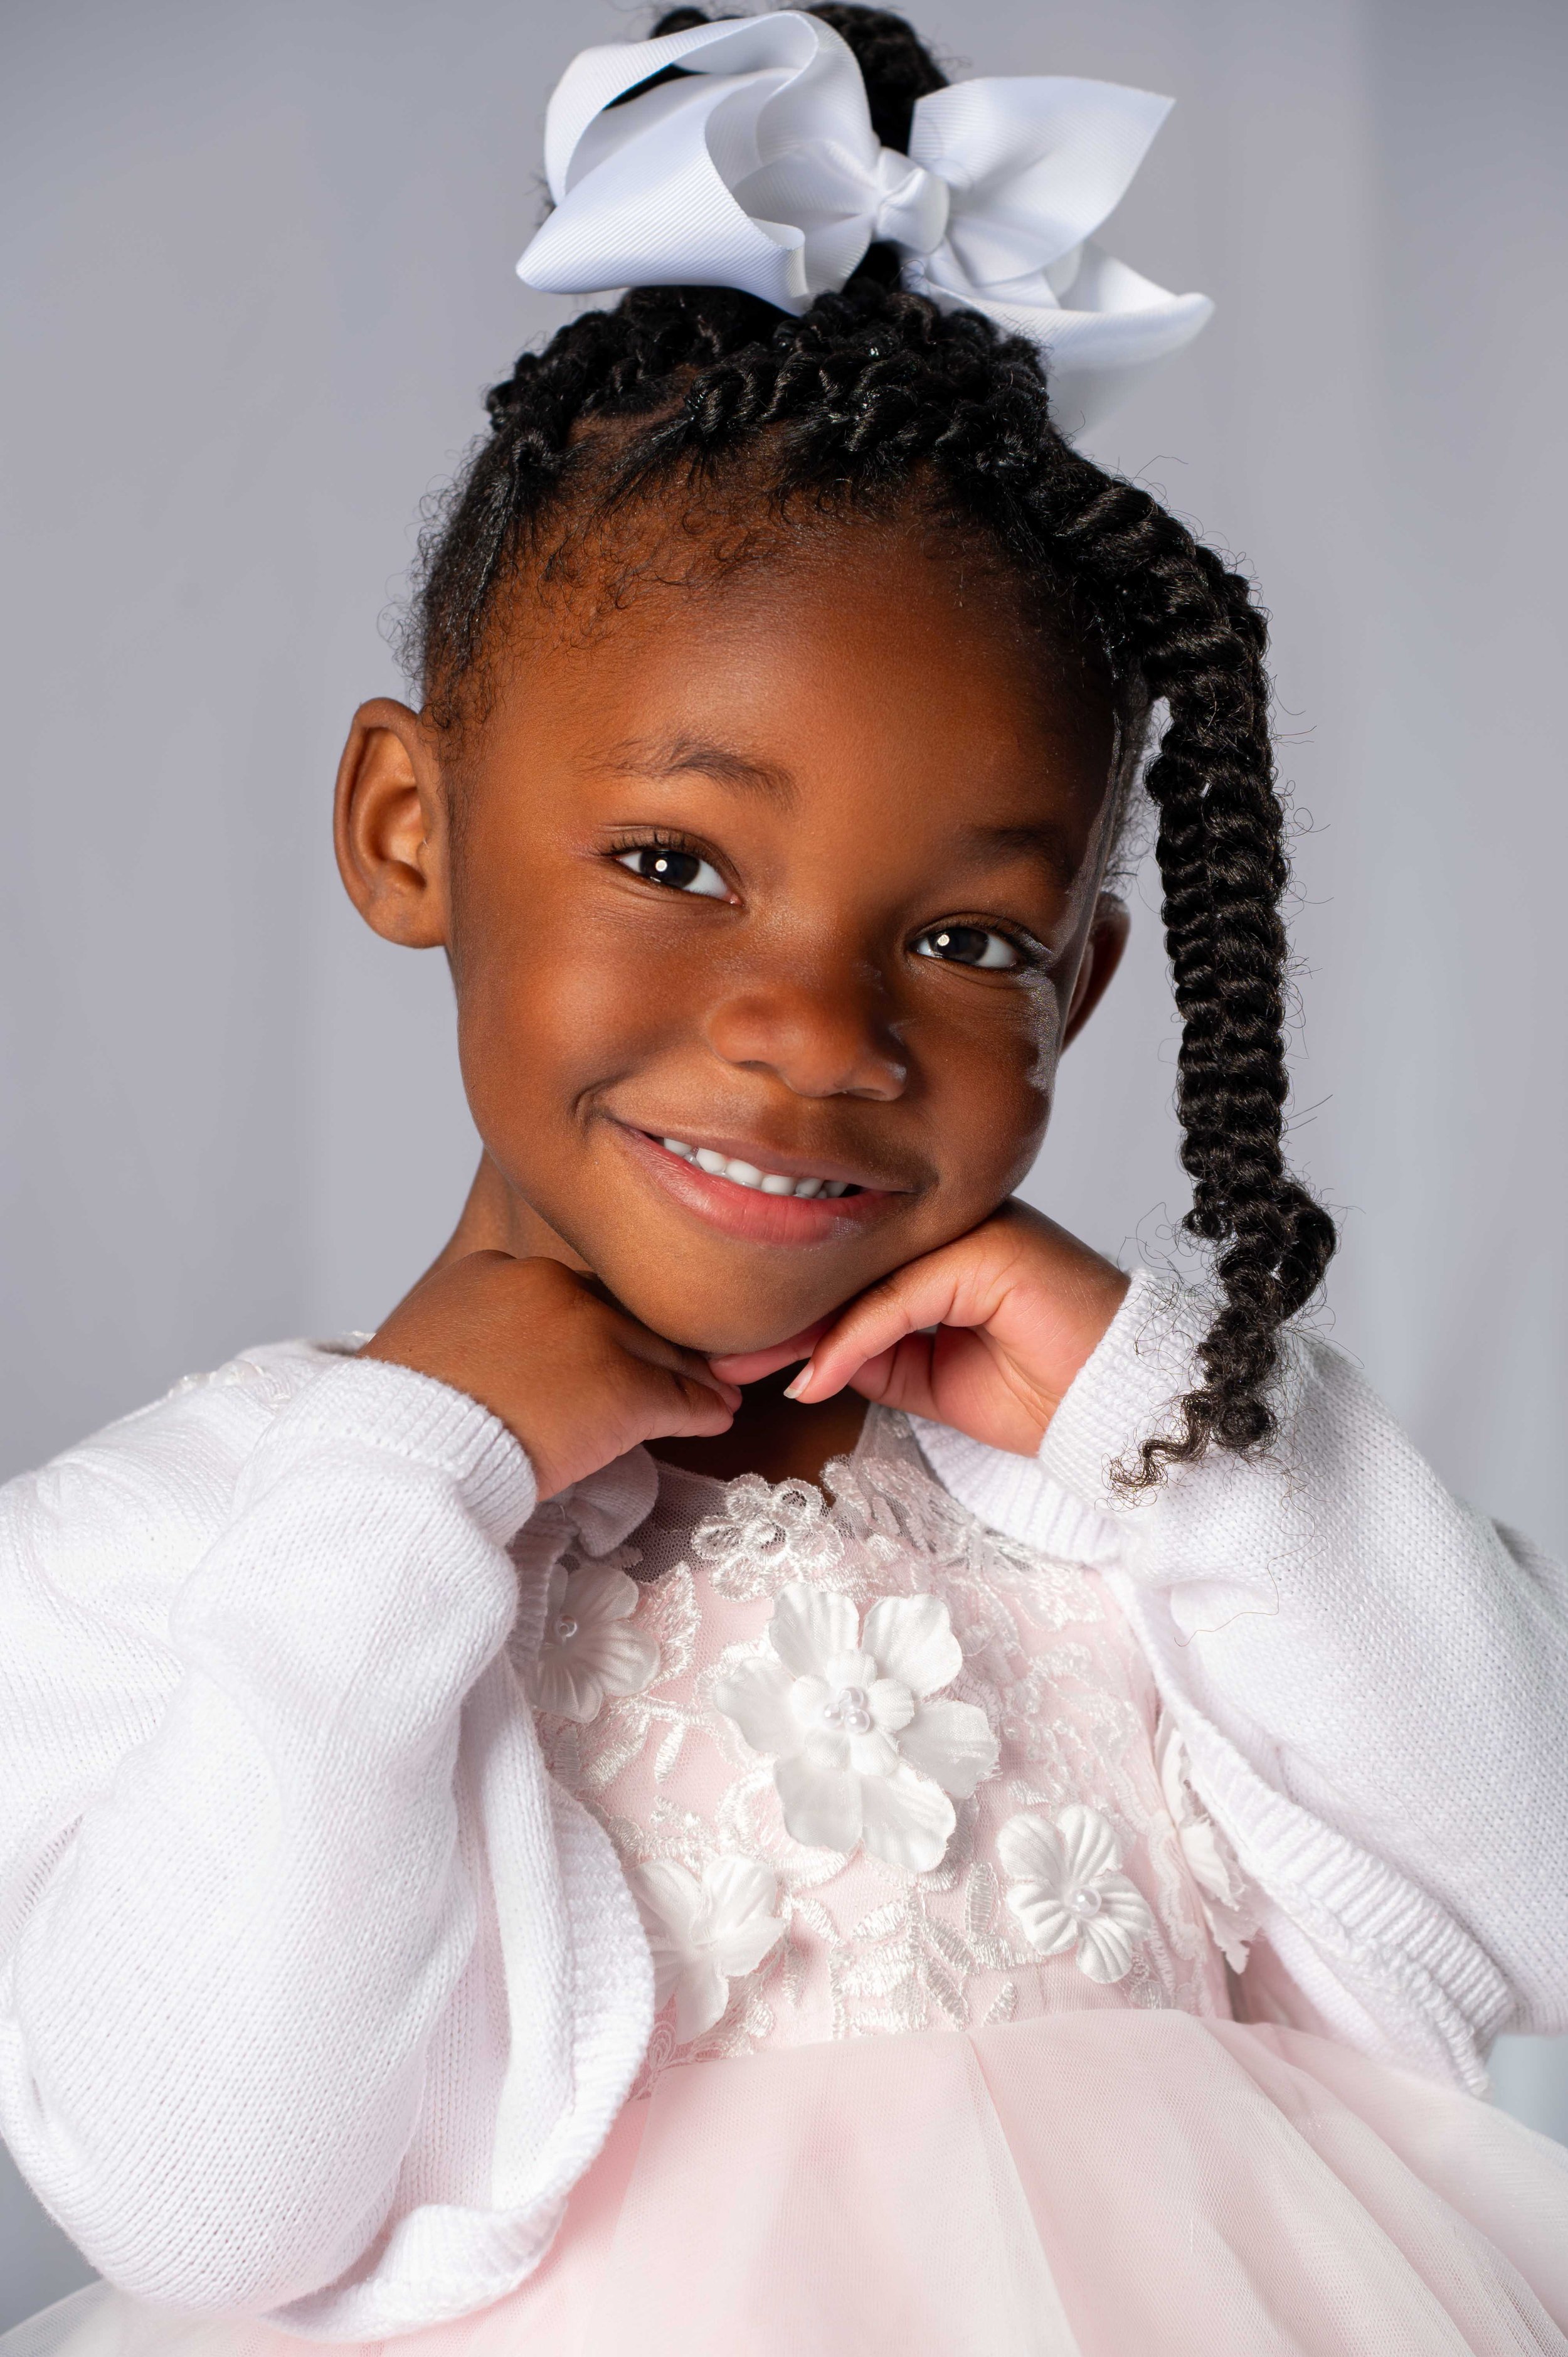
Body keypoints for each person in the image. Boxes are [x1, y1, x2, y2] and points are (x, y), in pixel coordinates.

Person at [3, 8, 1565, 2353]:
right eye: (673, 859)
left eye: (960, 940)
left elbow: (1527, 1899)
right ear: (407, 827)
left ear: (1089, 980)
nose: (818, 1031)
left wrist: (1184, 1432)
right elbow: (217, 2206)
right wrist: (397, 1484)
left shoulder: (1113, 1490)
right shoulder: (187, 1546)